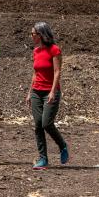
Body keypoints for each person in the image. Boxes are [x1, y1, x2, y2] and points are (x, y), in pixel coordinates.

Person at [27, 21, 69, 170]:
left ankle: (62, 145)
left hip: (50, 91)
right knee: (38, 125)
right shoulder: (36, 51)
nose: (31, 36)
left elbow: (57, 71)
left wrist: (52, 91)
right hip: (36, 92)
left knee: (46, 123)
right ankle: (43, 158)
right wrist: (29, 92)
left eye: (33, 34)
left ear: (41, 34)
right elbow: (35, 73)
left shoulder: (54, 50)